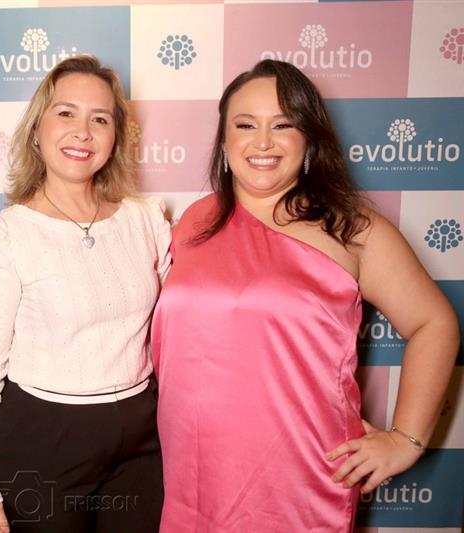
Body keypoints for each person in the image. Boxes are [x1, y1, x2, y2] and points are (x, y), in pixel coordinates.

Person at [151, 59, 459, 532]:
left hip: (303, 479)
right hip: (194, 473)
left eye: (283, 125)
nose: (263, 142)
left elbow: (434, 324)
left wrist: (406, 440)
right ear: (225, 140)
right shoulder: (195, 221)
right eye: (245, 125)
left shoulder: (352, 229)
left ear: (310, 138)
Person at [0, 55, 170, 533]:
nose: (83, 132)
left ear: (116, 138)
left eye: (100, 119)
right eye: (66, 113)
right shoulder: (7, 237)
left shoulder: (145, 220)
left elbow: (187, 327)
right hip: (44, 442)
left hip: (141, 438)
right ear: (37, 130)